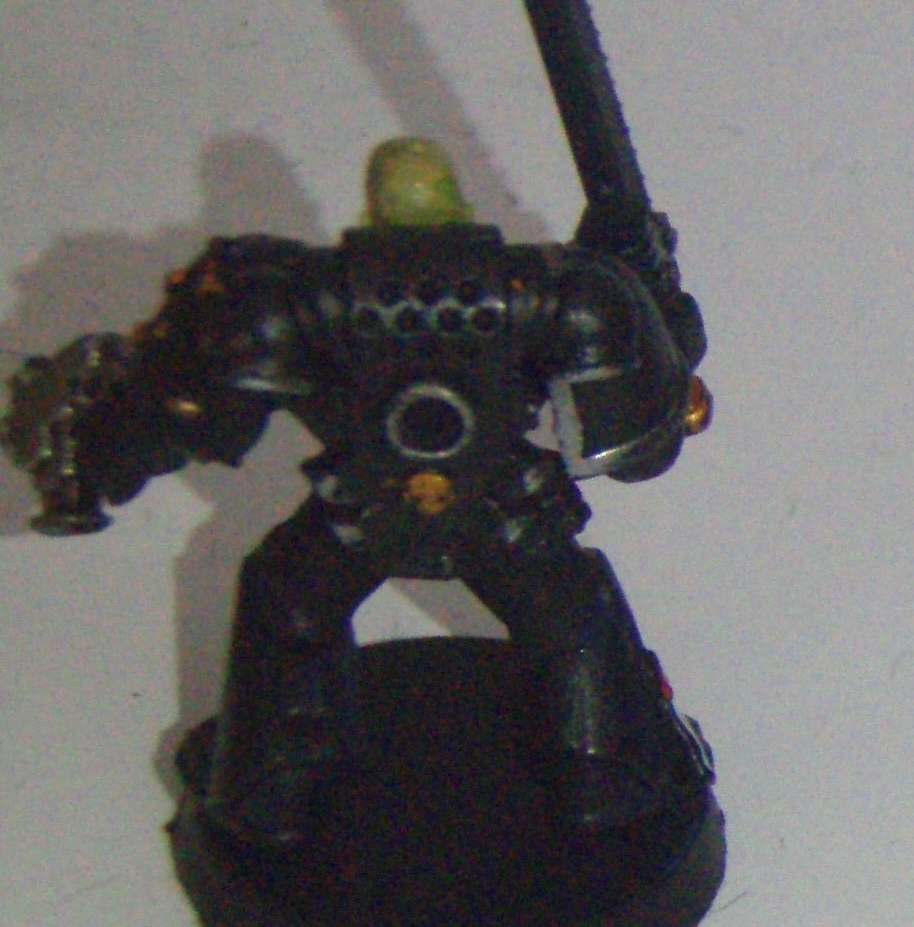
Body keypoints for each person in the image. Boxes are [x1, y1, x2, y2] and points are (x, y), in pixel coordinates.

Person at [6, 135, 710, 847]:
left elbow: (174, 409)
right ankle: (608, 782)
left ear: (373, 214)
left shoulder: (286, 299)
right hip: (495, 510)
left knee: (289, 608)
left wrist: (91, 461)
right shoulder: (564, 296)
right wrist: (653, 319)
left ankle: (266, 792)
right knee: (574, 622)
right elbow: (641, 450)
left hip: (365, 512)